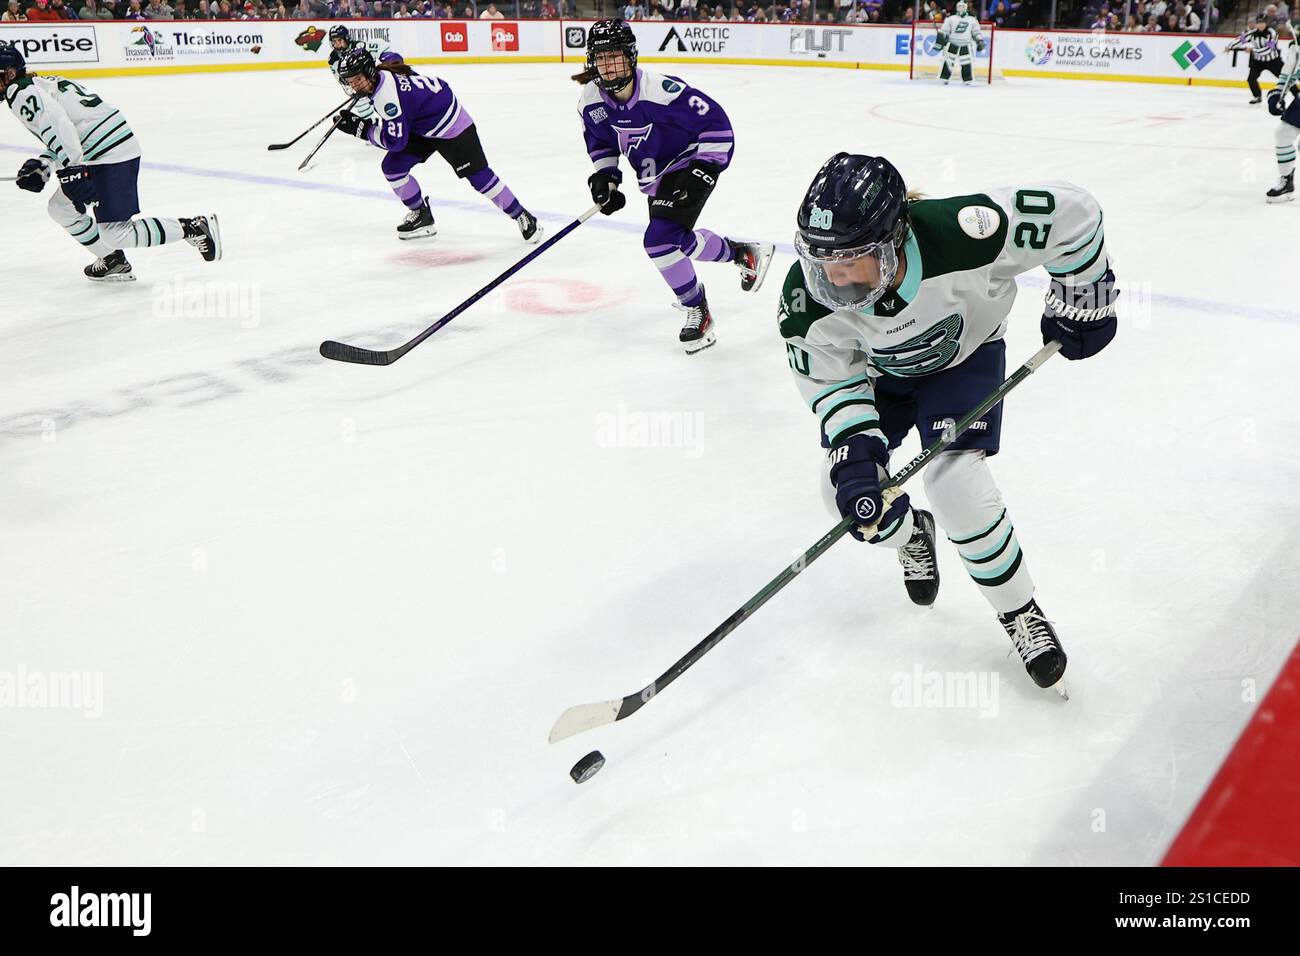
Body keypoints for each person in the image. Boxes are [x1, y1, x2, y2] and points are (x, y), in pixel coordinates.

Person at [780, 153, 1119, 693]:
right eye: (824, 263)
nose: (836, 278)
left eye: (852, 261)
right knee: (837, 491)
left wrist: (1086, 293)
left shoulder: (965, 232)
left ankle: (1020, 612)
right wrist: (854, 446)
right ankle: (913, 534)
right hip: (882, 379)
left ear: (893, 242)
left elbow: (1073, 213)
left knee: (954, 480)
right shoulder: (807, 298)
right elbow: (832, 378)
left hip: (966, 358)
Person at [575, 19, 772, 353]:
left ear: (631, 57)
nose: (609, 66)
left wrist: (704, 168)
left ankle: (698, 310)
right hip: (655, 176)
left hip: (691, 160)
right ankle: (743, 254)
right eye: (602, 58)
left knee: (659, 241)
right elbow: (601, 142)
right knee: (674, 240)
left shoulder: (660, 92)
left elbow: (717, 123)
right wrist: (605, 176)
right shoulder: (590, 102)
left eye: (616, 56)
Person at [1, 42, 220, 280]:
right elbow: (68, 131)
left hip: (108, 154)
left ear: (10, 73)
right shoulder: (37, 84)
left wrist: (72, 171)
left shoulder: (19, 93)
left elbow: (60, 126)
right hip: (104, 148)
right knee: (61, 208)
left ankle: (192, 227)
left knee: (115, 233)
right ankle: (112, 259)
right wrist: (45, 164)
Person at [333, 46, 541, 243]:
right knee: (393, 168)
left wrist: (362, 129)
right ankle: (422, 215)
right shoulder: (382, 73)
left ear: (369, 72)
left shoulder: (387, 98)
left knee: (479, 177)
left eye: (358, 79)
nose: (354, 85)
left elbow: (395, 141)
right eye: (350, 81)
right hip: (423, 123)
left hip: (451, 125)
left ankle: (522, 215)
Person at [1266, 37, 1300, 200]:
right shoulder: (1297, 44)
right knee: (1283, 133)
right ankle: (1286, 180)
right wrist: (1278, 93)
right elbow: (1289, 72)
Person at [1227, 13, 1283, 104]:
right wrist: (1229, 46)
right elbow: (1241, 39)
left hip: (1273, 61)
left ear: (1266, 23)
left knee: (1284, 78)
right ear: (1256, 23)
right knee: (1251, 79)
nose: (1261, 25)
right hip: (1258, 61)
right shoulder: (1252, 33)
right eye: (1259, 23)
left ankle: (1297, 94)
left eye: (1263, 23)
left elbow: (1269, 49)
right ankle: (1257, 96)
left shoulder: (1272, 33)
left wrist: (1254, 51)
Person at [936, 0, 984, 85]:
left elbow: (976, 32)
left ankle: (967, 79)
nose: (961, 8)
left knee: (966, 62)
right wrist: (942, 37)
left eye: (963, 6)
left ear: (966, 8)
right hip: (952, 43)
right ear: (957, 7)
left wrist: (979, 40)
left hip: (966, 44)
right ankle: (944, 77)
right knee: (948, 61)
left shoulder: (972, 19)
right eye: (959, 6)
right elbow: (945, 30)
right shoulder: (951, 19)